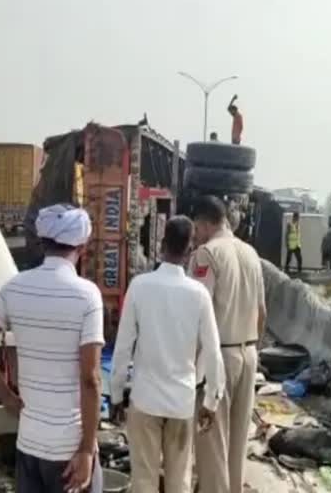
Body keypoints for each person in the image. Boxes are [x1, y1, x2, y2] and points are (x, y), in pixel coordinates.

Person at [0, 204, 104, 493]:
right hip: (69, 447)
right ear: (82, 246)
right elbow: (90, 378)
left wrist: (5, 396)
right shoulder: (87, 295)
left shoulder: (15, 287)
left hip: (29, 444)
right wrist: (87, 450)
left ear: (43, 242)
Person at [110, 216, 225, 493]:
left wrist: (115, 395)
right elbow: (213, 351)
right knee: (179, 482)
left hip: (145, 400)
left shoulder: (140, 286)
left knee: (144, 481)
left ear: (162, 246)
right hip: (181, 403)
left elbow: (123, 347)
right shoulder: (198, 294)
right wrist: (211, 399)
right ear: (190, 251)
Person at [189, 196, 266, 493]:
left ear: (206, 223)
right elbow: (262, 313)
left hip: (218, 357)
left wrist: (192, 363)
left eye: (197, 226)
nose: (195, 233)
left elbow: (199, 310)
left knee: (211, 445)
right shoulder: (251, 253)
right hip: (248, 353)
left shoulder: (206, 254)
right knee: (236, 444)